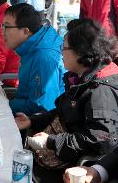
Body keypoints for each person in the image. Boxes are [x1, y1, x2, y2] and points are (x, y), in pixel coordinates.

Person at [15, 18, 118, 182]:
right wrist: (32, 121)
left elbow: (99, 140)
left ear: (80, 52)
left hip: (71, 167)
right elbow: (63, 111)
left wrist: (51, 142)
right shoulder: (80, 79)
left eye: (64, 48)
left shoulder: (100, 91)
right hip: (60, 154)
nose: (60, 52)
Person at [3, 4, 65, 115]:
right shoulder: (35, 45)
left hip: (38, 122)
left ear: (26, 31)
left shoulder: (43, 57)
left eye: (6, 27)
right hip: (24, 108)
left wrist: (4, 105)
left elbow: (43, 106)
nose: (2, 32)